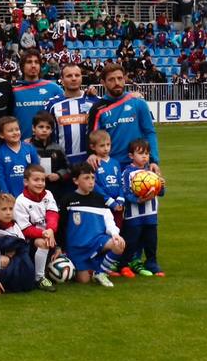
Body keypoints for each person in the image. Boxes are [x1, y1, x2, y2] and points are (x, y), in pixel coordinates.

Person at [60, 163, 125, 289]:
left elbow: (109, 220)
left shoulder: (100, 199)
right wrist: (61, 247)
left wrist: (115, 234)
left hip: (96, 242)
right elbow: (61, 225)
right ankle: (90, 268)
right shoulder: (68, 199)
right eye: (86, 178)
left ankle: (101, 273)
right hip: (77, 248)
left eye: (93, 178)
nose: (91, 182)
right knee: (83, 281)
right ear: (75, 181)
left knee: (119, 244)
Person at [88, 62, 159, 169]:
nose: (117, 82)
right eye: (111, 79)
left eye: (120, 78)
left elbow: (149, 132)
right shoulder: (97, 109)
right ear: (103, 82)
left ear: (124, 79)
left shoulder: (138, 102)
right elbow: (92, 138)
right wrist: (92, 155)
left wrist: (153, 161)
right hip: (111, 167)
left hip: (139, 165)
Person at [118, 138, 165, 277]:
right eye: (140, 153)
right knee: (131, 241)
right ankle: (124, 264)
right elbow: (125, 192)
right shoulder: (127, 173)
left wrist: (161, 185)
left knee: (151, 240)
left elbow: (161, 193)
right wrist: (138, 200)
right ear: (131, 156)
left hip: (151, 214)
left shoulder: (152, 171)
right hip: (134, 215)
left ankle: (151, 262)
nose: (145, 156)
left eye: (147, 153)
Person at [14, 165, 61, 293]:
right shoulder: (20, 201)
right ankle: (39, 278)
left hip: (48, 235)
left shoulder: (48, 194)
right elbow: (25, 230)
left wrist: (50, 230)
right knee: (43, 242)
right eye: (36, 180)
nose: (40, 183)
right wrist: (45, 233)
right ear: (26, 182)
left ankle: (49, 267)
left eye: (43, 180)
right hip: (28, 240)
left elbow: (53, 214)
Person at [0, 192, 33, 295]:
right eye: (4, 209)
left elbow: (22, 244)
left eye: (11, 209)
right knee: (3, 260)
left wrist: (14, 249)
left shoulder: (15, 226)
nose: (8, 212)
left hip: (11, 259)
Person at [0, 116, 40, 199]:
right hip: (11, 197)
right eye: (10, 131)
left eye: (17, 129)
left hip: (30, 195)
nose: (15, 132)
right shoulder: (0, 153)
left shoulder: (30, 148)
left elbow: (37, 171)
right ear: (1, 134)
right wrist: (6, 194)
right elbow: (0, 176)